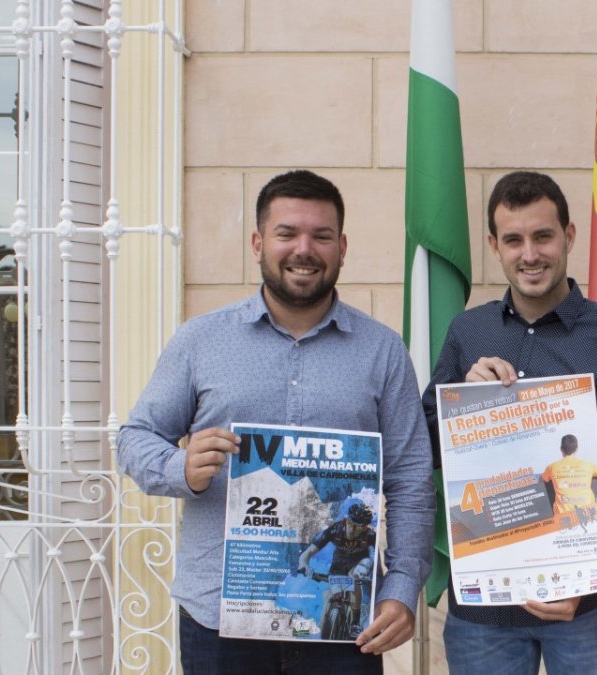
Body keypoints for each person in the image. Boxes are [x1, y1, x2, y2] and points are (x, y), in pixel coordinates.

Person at [118, 170, 434, 674]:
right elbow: (134, 438)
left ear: (343, 247)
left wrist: (401, 590)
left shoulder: (382, 351)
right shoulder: (201, 341)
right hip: (219, 616)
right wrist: (180, 467)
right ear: (258, 242)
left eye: (321, 235)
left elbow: (412, 479)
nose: (303, 248)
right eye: (287, 233)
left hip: (340, 615)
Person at [423, 171, 597, 674]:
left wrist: (582, 575)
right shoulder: (469, 331)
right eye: (513, 240)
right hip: (484, 609)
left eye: (543, 236)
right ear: (494, 246)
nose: (529, 254)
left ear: (569, 236)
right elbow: (424, 445)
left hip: (583, 607)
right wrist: (461, 400)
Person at [296, 502, 377, 639]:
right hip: (339, 565)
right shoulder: (335, 529)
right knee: (333, 595)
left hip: (359, 563)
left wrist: (371, 573)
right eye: (351, 524)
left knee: (354, 577)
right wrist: (303, 565)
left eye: (358, 528)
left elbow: (375, 557)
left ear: (365, 528)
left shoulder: (370, 534)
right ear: (346, 520)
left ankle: (355, 623)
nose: (352, 530)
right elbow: (307, 553)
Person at [541, 434, 597, 526]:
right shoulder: (588, 465)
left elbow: (543, 480)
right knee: (595, 479)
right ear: (577, 449)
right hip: (586, 515)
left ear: (561, 449)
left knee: (548, 482)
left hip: (562, 517)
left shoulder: (552, 467)